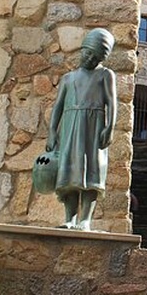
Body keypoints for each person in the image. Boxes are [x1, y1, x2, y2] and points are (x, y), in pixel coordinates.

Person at [46, 28, 117, 230]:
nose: (89, 59)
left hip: (94, 128)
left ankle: (85, 220)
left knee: (91, 174)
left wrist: (110, 127)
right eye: (87, 53)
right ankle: (69, 218)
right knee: (69, 173)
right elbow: (57, 107)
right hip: (71, 127)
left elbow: (112, 103)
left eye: (95, 57)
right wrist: (52, 131)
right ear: (82, 49)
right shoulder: (68, 78)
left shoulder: (105, 75)